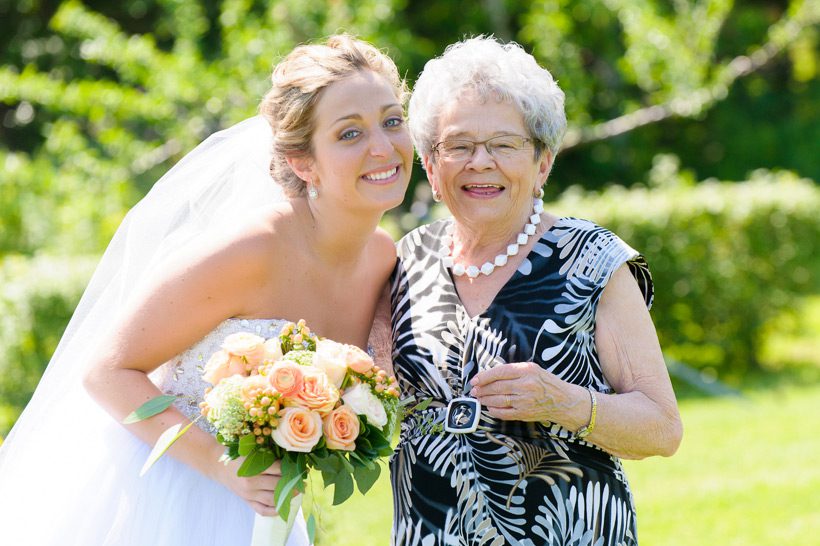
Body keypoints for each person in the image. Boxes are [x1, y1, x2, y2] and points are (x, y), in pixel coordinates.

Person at [0, 34, 412, 546]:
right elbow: (107, 371)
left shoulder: (383, 257)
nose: (383, 147)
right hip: (165, 486)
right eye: (350, 134)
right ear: (304, 163)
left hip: (267, 506)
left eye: (393, 121)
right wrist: (223, 469)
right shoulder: (252, 249)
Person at [389, 36, 683, 545]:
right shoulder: (404, 260)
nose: (480, 162)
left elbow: (662, 427)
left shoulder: (594, 261)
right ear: (432, 168)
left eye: (504, 144)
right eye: (458, 145)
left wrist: (563, 402)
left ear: (542, 163)